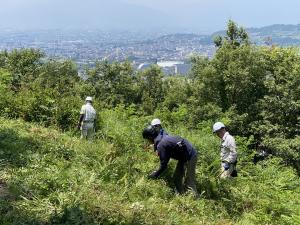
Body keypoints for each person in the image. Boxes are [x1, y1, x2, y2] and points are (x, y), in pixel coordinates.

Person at [142, 125, 198, 196]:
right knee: (177, 178)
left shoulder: (161, 144)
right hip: (183, 157)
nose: (148, 141)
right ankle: (182, 195)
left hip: (190, 155)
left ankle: (194, 201)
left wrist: (155, 175)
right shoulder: (162, 136)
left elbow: (164, 165)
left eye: (147, 139)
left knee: (189, 182)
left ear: (150, 137)